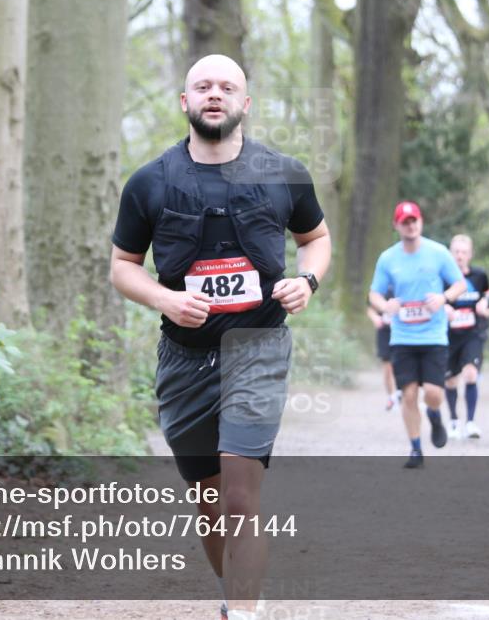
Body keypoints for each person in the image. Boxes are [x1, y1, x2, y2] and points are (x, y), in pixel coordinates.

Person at [109, 54, 331, 620]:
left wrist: (307, 280)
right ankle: (235, 593)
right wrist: (165, 299)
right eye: (202, 86)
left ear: (245, 104)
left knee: (238, 494)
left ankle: (244, 611)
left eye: (227, 87)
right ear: (184, 102)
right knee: (209, 502)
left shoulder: (285, 173)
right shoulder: (150, 182)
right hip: (183, 360)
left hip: (257, 348)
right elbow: (122, 266)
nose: (215, 94)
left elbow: (316, 238)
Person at [369, 202, 465, 469]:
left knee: (433, 393)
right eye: (405, 222)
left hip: (433, 337)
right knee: (409, 395)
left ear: (420, 222)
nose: (411, 226)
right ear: (396, 225)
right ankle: (415, 449)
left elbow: (459, 284)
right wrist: (384, 306)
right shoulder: (388, 258)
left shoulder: (438, 253)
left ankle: (434, 415)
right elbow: (374, 293)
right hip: (402, 338)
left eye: (414, 221)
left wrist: (444, 297)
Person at [443, 234, 489, 440]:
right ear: (450, 253)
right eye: (456, 251)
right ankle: (454, 421)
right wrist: (445, 308)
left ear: (470, 254)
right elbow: (435, 300)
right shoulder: (444, 277)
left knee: (471, 374)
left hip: (472, 334)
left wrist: (485, 307)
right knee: (450, 381)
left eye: (464, 252)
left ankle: (471, 422)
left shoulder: (479, 276)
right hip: (449, 336)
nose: (460, 256)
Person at [366, 294, 400, 410]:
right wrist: (375, 318)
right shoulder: (380, 286)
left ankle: (402, 393)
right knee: (387, 367)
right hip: (385, 332)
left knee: (403, 365)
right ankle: (392, 397)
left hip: (403, 331)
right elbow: (370, 309)